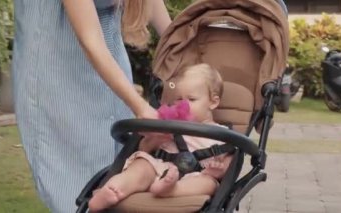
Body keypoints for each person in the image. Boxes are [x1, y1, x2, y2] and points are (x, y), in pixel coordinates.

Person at [12, 0, 171, 212]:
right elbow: (90, 40)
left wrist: (179, 45)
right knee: (76, 191)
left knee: (118, 186)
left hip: (112, 81)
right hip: (61, 83)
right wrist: (140, 108)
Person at [88, 63, 233, 212]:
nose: (183, 104)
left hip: (196, 176)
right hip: (159, 167)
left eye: (191, 99)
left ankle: (171, 189)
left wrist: (220, 170)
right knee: (142, 164)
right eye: (178, 99)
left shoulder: (221, 133)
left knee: (209, 184)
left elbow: (231, 161)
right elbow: (143, 148)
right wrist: (154, 140)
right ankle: (114, 189)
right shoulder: (168, 125)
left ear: (213, 102)